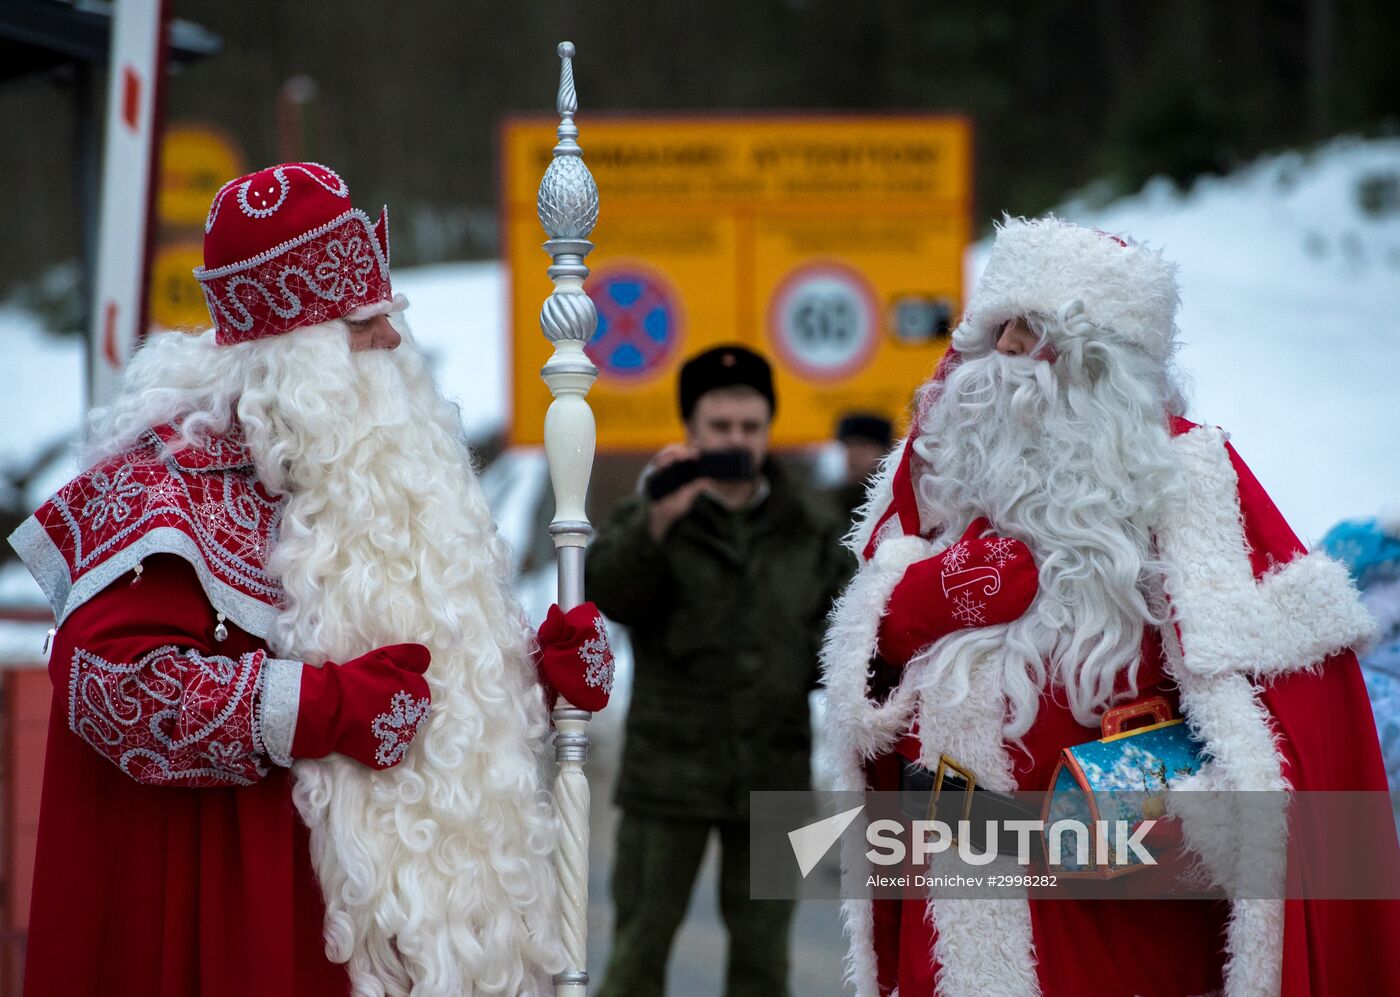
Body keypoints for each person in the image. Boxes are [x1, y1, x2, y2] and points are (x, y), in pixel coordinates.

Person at [8, 162, 614, 997]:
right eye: (365, 323)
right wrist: (318, 706)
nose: (393, 339)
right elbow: (111, 689)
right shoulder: (164, 489)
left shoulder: (377, 475)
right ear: (294, 355)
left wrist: (530, 678)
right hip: (253, 926)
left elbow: (416, 688)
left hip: (394, 935)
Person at [820, 215, 1400, 996]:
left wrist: (1162, 822)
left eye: (1037, 331)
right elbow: (869, 690)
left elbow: (1296, 721)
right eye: (999, 328)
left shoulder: (1189, 483)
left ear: (1108, 368)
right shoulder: (943, 484)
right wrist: (933, 599)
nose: (1009, 351)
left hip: (1127, 937)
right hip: (958, 914)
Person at [585, 345, 853, 997]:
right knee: (637, 955)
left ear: (768, 429)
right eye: (721, 427)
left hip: (774, 772)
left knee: (764, 965)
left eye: (750, 427)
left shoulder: (811, 525)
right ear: (691, 431)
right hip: (665, 775)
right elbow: (608, 593)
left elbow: (846, 638)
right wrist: (657, 522)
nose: (737, 441)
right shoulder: (654, 512)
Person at [830, 412, 895, 522]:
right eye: (849, 445)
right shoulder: (833, 498)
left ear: (884, 451)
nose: (853, 454)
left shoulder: (893, 497)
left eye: (862, 445)